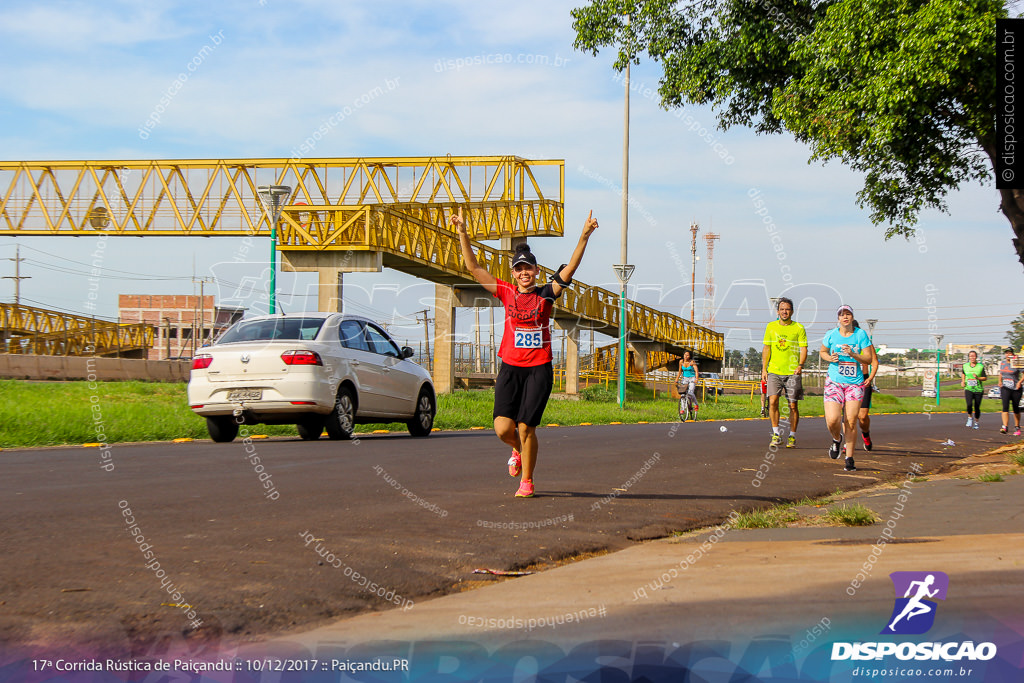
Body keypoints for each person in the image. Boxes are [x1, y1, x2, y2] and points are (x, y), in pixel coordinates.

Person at [452, 207, 598, 497]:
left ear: (536, 271)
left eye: (528, 268)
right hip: (510, 367)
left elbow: (570, 268)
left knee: (526, 426)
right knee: (504, 429)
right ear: (513, 274)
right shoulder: (506, 292)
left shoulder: (546, 293)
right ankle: (518, 450)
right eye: (518, 269)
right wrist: (463, 235)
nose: (524, 273)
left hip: (538, 369)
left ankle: (527, 481)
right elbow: (474, 268)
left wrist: (583, 237)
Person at [819, 306, 876, 471]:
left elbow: (868, 358)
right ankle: (837, 439)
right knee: (832, 420)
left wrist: (853, 354)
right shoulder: (831, 334)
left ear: (852, 317)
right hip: (834, 381)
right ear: (838, 318)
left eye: (848, 314)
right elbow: (823, 351)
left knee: (850, 420)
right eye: (841, 314)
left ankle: (849, 459)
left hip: (854, 382)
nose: (845, 317)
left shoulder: (860, 335)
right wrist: (830, 357)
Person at [761, 297, 808, 448]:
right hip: (774, 370)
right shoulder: (771, 327)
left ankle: (792, 436)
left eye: (787, 309)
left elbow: (803, 348)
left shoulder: (798, 328)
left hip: (792, 372)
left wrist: (800, 365)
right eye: (782, 309)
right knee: (773, 401)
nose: (784, 312)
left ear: (792, 311)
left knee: (792, 405)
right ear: (778, 311)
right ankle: (776, 434)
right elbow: (767, 348)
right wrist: (764, 368)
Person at [854, 320, 879, 451]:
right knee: (849, 417)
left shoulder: (866, 344)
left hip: (863, 381)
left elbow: (875, 362)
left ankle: (866, 435)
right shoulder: (842, 343)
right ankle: (847, 443)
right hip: (847, 382)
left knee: (862, 416)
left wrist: (870, 378)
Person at [997, 347, 1023, 436]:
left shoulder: (1017, 363)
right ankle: (1005, 426)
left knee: (1015, 408)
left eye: (1009, 353)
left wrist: (1020, 382)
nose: (1008, 355)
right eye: (1006, 353)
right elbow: (1001, 373)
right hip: (1005, 387)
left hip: (1016, 388)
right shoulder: (1003, 363)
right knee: (1005, 406)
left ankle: (1017, 427)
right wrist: (1000, 381)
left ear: (1012, 354)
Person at [961, 350, 987, 430]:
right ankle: (969, 418)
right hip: (968, 388)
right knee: (969, 404)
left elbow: (985, 378)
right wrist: (962, 381)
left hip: (978, 389)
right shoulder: (965, 366)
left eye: (974, 356)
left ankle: (976, 422)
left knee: (977, 407)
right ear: (969, 357)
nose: (972, 357)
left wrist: (978, 378)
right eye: (971, 356)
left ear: (976, 357)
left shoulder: (980, 366)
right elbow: (963, 373)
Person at [674, 350, 699, 414]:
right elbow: (680, 371)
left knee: (690, 392)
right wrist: (676, 379)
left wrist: (696, 379)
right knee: (682, 394)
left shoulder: (692, 362)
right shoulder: (681, 362)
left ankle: (695, 404)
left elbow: (696, 371)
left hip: (692, 378)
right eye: (685, 355)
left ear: (690, 356)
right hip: (685, 379)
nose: (686, 356)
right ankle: (683, 409)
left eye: (687, 355)